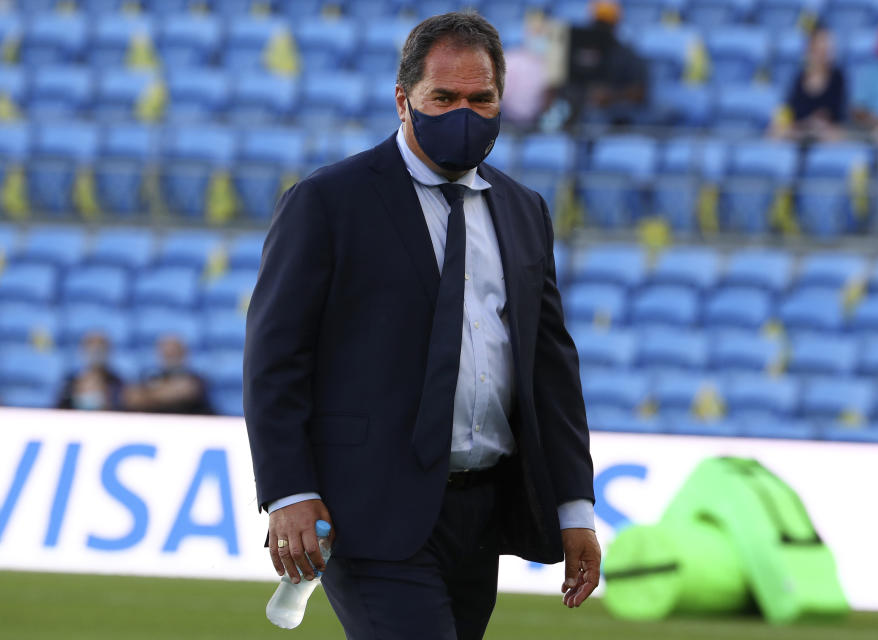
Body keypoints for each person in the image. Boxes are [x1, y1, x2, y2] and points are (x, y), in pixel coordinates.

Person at [243, 11, 600, 640]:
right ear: (404, 101)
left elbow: (550, 367)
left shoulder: (522, 210)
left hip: (481, 513)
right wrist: (287, 490)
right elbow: (275, 358)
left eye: (480, 98)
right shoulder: (329, 202)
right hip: (369, 511)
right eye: (444, 97)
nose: (464, 111)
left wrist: (574, 507)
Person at [557, 1, 649, 128]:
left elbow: (639, 92)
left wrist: (612, 96)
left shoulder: (627, 54)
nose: (600, 29)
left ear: (615, 24)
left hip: (613, 113)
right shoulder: (581, 50)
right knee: (556, 116)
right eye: (598, 23)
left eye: (605, 24)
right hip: (578, 106)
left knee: (595, 117)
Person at [771, 23, 847, 142]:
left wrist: (821, 123)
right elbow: (790, 110)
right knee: (775, 132)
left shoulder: (838, 77)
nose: (825, 52)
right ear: (811, 48)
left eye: (827, 48)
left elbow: (838, 115)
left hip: (827, 133)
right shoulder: (799, 77)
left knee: (835, 136)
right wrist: (805, 124)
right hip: (801, 130)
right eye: (820, 47)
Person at [123, 335, 212, 414]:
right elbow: (133, 398)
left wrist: (149, 395)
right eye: (166, 352)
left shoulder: (195, 378)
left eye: (174, 352)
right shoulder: (150, 375)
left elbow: (183, 392)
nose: (169, 354)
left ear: (184, 353)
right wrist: (165, 393)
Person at [56, 332, 124, 411]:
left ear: (108, 352)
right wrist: (75, 396)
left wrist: (107, 400)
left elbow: (123, 412)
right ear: (83, 351)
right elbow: (59, 411)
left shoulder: (117, 383)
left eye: (100, 349)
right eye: (92, 349)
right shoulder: (71, 382)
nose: (96, 354)